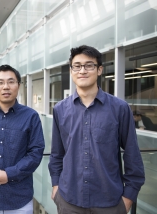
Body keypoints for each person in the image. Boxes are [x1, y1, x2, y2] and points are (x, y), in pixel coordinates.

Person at [48, 45, 145, 214]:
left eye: (89, 65)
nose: (82, 70)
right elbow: (57, 154)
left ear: (99, 70)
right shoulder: (60, 110)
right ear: (71, 71)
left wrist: (128, 197)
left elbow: (132, 155)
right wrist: (56, 185)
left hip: (109, 203)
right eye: (77, 66)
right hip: (69, 201)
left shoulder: (119, 108)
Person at [0, 64, 45, 213]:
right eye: (0, 82)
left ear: (18, 85)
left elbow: (35, 153)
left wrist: (9, 174)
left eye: (11, 82)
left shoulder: (31, 116)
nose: (6, 87)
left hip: (19, 199)